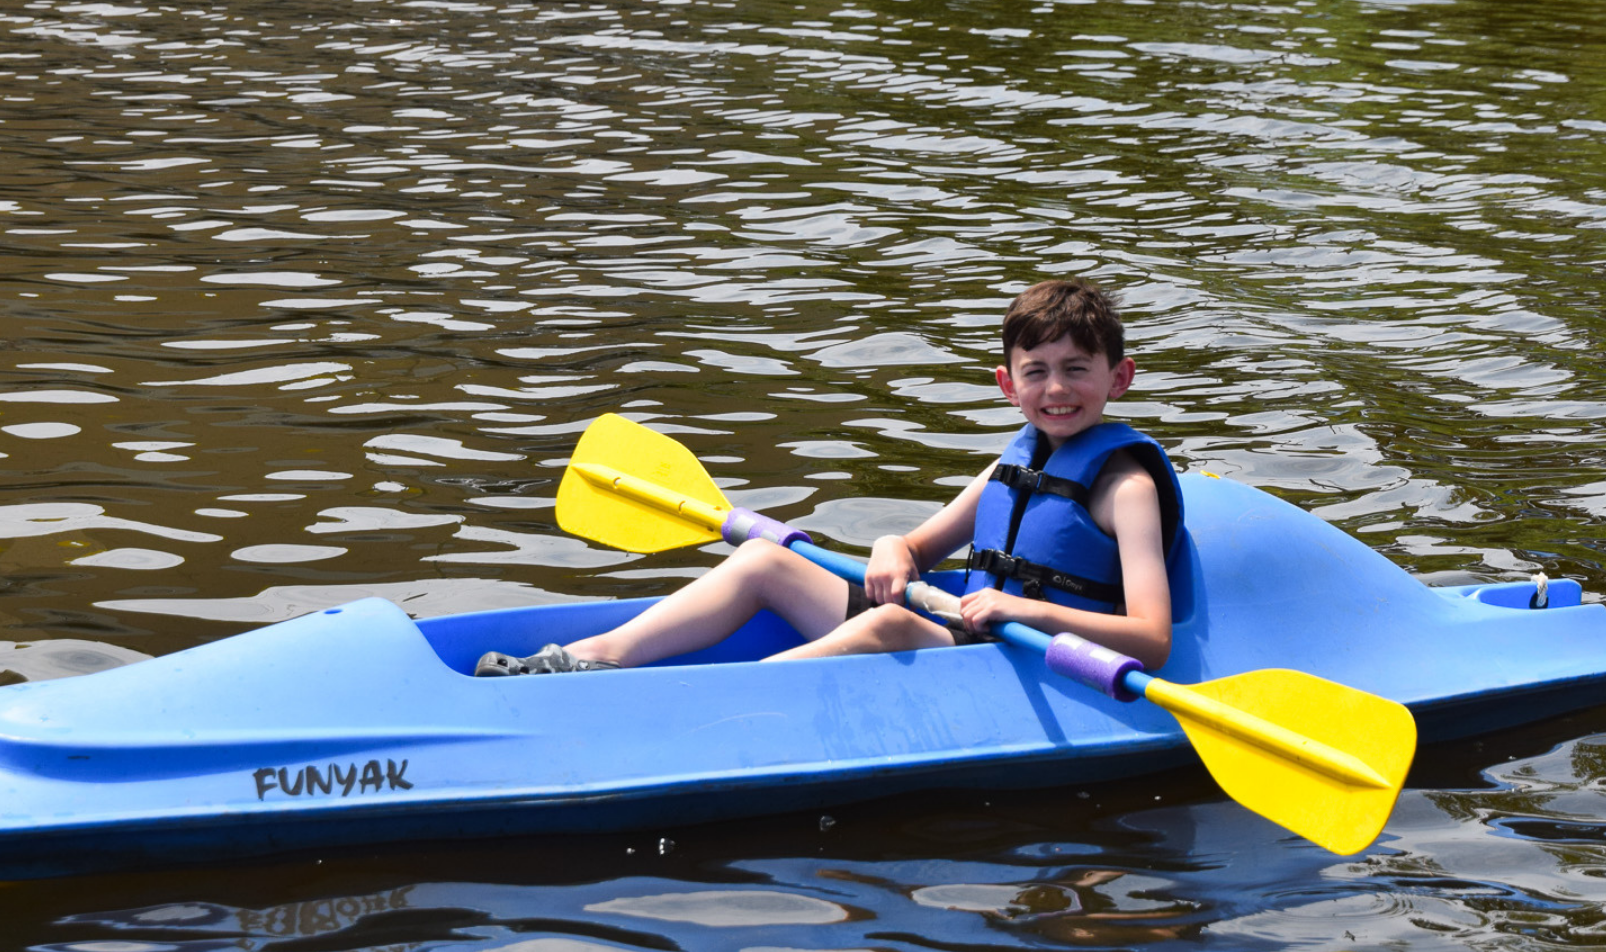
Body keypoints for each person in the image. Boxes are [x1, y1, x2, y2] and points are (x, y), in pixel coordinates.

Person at [473, 279, 1183, 676]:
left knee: (888, 626)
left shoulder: (1126, 487)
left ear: (1117, 378)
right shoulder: (1012, 462)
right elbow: (917, 550)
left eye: (1076, 370)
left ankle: (730, 698)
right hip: (970, 632)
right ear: (1007, 384)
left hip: (1028, 654)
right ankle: (585, 662)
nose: (1056, 389)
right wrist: (889, 547)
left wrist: (1025, 610)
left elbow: (1150, 638)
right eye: (1037, 372)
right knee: (765, 559)